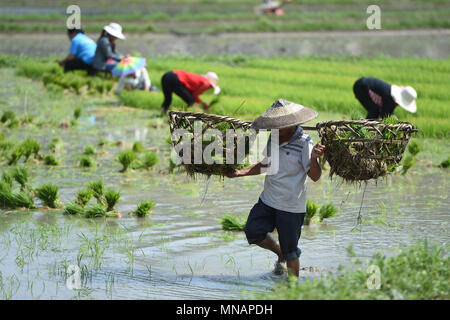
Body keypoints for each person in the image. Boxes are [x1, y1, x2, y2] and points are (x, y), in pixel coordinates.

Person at [226, 99, 325, 278]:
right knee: (253, 231)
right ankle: (279, 252)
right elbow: (265, 165)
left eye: (279, 126)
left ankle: (293, 288)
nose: (275, 129)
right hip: (268, 200)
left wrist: (313, 158)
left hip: (291, 207)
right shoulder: (272, 138)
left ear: (292, 125)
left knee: (291, 252)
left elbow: (315, 176)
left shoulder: (304, 143)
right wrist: (240, 173)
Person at [353, 77, 417, 119]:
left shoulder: (391, 98)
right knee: (374, 111)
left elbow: (388, 111)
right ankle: (366, 130)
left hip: (363, 83)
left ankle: (368, 129)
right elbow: (384, 114)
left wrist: (393, 118)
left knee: (376, 111)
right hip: (361, 87)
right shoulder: (389, 97)